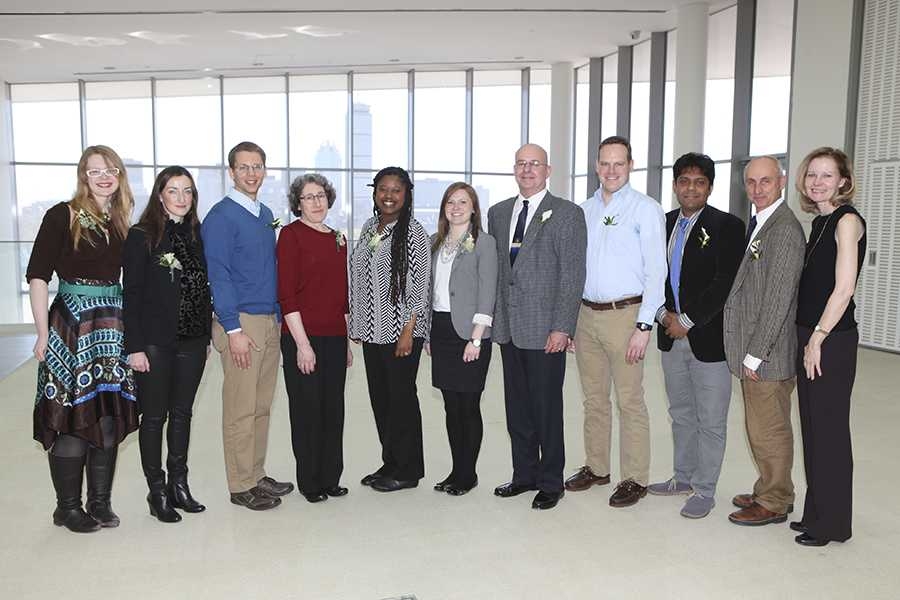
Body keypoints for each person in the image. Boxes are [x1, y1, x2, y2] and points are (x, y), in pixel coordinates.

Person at [26, 145, 138, 533]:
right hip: (71, 327)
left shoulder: (120, 219)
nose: (104, 176)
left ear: (120, 175)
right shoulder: (62, 214)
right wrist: (43, 333)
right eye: (95, 171)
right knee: (73, 418)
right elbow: (38, 275)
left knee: (107, 416)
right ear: (82, 176)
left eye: (111, 170)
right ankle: (68, 508)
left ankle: (100, 503)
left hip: (112, 327)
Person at [564, 136, 666, 508]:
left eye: (618, 163)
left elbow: (657, 271)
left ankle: (635, 477)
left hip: (625, 316)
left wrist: (644, 326)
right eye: (604, 163)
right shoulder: (583, 211)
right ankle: (597, 466)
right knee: (593, 399)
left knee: (629, 401)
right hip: (585, 315)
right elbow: (574, 268)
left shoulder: (645, 209)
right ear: (595, 166)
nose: (610, 170)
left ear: (630, 165)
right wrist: (570, 319)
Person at [488, 143, 586, 511]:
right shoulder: (498, 214)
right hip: (510, 328)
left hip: (547, 330)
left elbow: (573, 274)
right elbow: (499, 273)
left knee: (546, 407)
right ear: (514, 169)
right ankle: (524, 474)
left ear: (549, 170)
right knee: (517, 408)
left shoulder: (566, 214)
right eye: (521, 164)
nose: (527, 170)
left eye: (535, 164)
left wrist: (562, 326)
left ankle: (550, 481)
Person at [647, 153, 745, 518]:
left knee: (711, 418)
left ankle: (705, 489)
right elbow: (651, 275)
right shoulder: (663, 223)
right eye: (684, 181)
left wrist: (687, 319)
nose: (690, 188)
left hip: (708, 339)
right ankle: (683, 477)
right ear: (674, 186)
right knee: (681, 413)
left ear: (709, 187)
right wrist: (662, 315)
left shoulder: (727, 226)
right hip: (670, 336)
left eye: (699, 182)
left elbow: (725, 283)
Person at [202, 141, 294, 511]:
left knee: (260, 407)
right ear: (231, 172)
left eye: (257, 166)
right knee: (240, 409)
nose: (251, 173)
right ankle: (240, 485)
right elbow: (219, 275)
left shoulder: (264, 212)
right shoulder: (221, 216)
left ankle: (255, 474)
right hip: (240, 323)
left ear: (265, 170)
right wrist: (232, 329)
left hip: (268, 321)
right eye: (244, 167)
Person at [123, 166, 212, 523]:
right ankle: (156, 490)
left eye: (187, 191)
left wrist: (205, 335)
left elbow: (204, 289)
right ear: (160, 195)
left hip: (193, 340)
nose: (181, 198)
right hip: (155, 343)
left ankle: (179, 484)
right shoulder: (141, 235)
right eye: (173, 190)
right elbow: (130, 295)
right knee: (155, 416)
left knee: (183, 413)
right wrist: (135, 347)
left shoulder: (197, 235)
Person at [724, 156, 805, 526]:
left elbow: (778, 299)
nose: (757, 189)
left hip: (767, 354)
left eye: (766, 181)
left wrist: (755, 355)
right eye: (752, 182)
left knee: (769, 429)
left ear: (782, 182)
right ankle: (768, 486)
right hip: (756, 348)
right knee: (759, 426)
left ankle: (775, 500)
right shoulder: (762, 223)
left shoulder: (784, 229)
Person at [792, 147, 865, 546]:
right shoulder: (819, 222)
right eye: (811, 175)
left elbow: (843, 289)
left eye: (826, 175)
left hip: (831, 339)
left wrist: (817, 337)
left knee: (830, 431)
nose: (817, 182)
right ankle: (816, 512)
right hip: (812, 334)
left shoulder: (847, 221)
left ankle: (833, 524)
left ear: (842, 180)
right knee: (813, 429)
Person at [349, 166, 430, 493]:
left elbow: (420, 284)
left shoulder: (413, 231)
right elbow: (359, 275)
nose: (389, 195)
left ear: (406, 194)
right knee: (381, 399)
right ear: (375, 192)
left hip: (400, 332)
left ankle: (408, 470)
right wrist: (356, 320)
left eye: (396, 189)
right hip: (372, 329)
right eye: (383, 189)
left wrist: (408, 330)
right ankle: (391, 462)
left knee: (401, 400)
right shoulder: (371, 227)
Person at [277, 173, 352, 504]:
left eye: (320, 195)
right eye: (308, 197)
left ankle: (331, 477)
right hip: (301, 337)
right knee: (307, 410)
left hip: (335, 338)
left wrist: (346, 339)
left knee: (333, 410)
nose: (316, 202)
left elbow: (341, 295)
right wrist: (303, 345)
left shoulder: (338, 238)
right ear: (298, 203)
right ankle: (310, 481)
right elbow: (287, 295)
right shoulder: (290, 236)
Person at [427, 182, 498, 496]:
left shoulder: (484, 243)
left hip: (471, 333)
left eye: (462, 202)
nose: (456, 207)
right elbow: (429, 291)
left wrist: (477, 339)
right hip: (441, 330)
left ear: (473, 208)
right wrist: (428, 333)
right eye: (450, 202)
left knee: (468, 406)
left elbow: (488, 292)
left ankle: (468, 475)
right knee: (450, 407)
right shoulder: (434, 243)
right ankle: (456, 470)